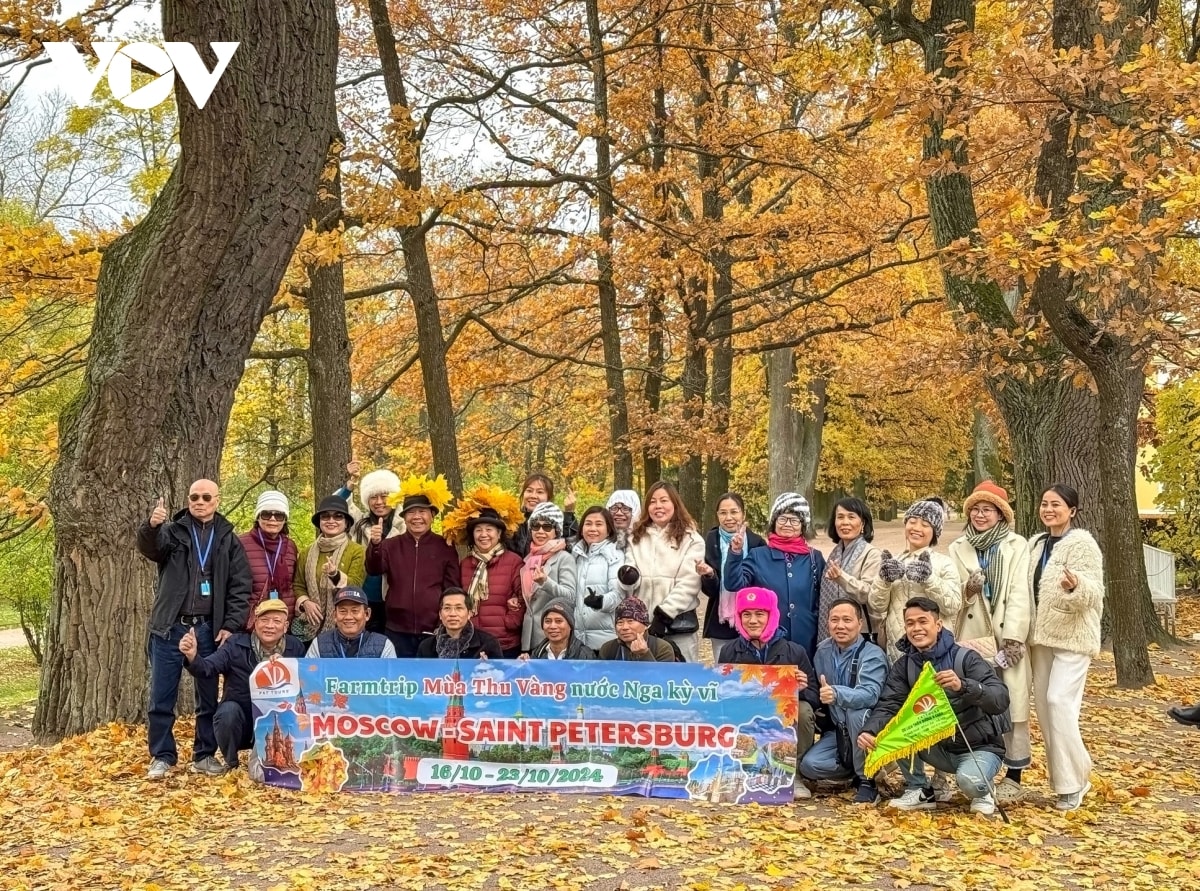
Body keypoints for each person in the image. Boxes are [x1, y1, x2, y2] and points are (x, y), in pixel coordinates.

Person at [136, 479, 252, 780]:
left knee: (207, 696)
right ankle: (162, 756)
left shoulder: (227, 538)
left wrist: (230, 625)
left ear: (217, 500)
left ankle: (203, 755)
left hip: (208, 631)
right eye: (193, 497)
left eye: (205, 497)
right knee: (162, 696)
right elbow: (151, 548)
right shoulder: (173, 531)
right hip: (170, 627)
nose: (199, 502)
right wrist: (152, 526)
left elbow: (241, 587)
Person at [858, 597, 1011, 816]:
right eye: (910, 623)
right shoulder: (905, 665)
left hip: (977, 746)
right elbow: (889, 705)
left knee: (969, 783)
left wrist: (963, 686)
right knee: (891, 731)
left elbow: (1000, 699)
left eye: (923, 621)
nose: (916, 628)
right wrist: (870, 731)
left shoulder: (965, 658)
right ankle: (920, 789)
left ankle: (983, 790)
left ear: (938, 625)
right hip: (936, 746)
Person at [948, 481, 1033, 802]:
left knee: (1011, 702)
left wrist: (1014, 638)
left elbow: (1021, 593)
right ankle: (977, 770)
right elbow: (955, 594)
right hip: (974, 638)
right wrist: (968, 590)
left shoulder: (1016, 545)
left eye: (987, 510)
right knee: (976, 701)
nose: (980, 515)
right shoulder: (958, 547)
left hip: (1007, 635)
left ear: (1000, 515)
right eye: (975, 509)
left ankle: (1014, 773)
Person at [1029, 483, 1103, 811]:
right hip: (1040, 637)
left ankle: (1076, 780)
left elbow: (1093, 592)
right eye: (1045, 503)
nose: (1048, 509)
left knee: (1059, 702)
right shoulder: (1036, 544)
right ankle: (1069, 777)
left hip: (1073, 637)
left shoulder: (1082, 544)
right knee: (1045, 711)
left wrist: (1076, 586)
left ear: (1071, 510)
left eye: (1056, 504)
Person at [717, 586, 821, 798]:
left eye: (759, 614)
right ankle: (737, 769)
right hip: (744, 716)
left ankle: (795, 774)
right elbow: (721, 694)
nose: (752, 620)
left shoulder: (794, 651)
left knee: (803, 710)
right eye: (746, 614)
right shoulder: (729, 651)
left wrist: (801, 689)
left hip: (782, 717)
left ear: (772, 616)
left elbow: (815, 698)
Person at [180, 598, 305, 773]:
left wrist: (287, 667)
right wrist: (193, 656)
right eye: (264, 620)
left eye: (276, 621)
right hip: (242, 720)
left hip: (279, 723)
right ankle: (232, 764)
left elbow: (307, 685)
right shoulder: (235, 644)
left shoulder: (295, 648)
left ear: (285, 626)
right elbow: (208, 668)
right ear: (255, 622)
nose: (270, 626)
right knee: (227, 712)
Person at [799, 599, 888, 803]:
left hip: (869, 729)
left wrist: (837, 694)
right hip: (839, 730)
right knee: (809, 766)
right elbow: (815, 688)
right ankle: (857, 768)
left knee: (857, 712)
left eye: (847, 620)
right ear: (827, 623)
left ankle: (868, 779)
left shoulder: (872, 654)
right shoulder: (822, 650)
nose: (840, 626)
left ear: (860, 623)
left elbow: (871, 694)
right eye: (834, 620)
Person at [723, 492, 827, 658]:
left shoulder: (814, 558)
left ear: (803, 526)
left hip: (808, 638)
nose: (788, 524)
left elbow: (823, 598)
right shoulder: (758, 555)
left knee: (806, 682)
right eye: (782, 519)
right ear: (774, 522)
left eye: (794, 520)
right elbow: (734, 583)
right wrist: (735, 552)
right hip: (768, 641)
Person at [365, 475, 460, 657]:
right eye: (411, 512)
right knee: (401, 680)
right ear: (404, 517)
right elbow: (374, 568)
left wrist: (446, 621)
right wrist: (375, 545)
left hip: (434, 629)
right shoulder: (391, 545)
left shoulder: (445, 547)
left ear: (432, 515)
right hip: (396, 629)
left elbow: (452, 588)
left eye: (422, 511)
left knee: (430, 679)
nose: (417, 517)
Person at [617, 481, 706, 662]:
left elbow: (689, 583)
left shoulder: (691, 539)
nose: (658, 506)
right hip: (641, 626)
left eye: (664, 500)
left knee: (681, 681)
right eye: (653, 501)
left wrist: (664, 614)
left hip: (678, 625)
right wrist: (628, 576)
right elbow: (630, 570)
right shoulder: (636, 536)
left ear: (675, 504)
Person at [869, 499, 962, 661]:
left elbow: (953, 605)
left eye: (925, 525)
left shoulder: (944, 563)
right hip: (897, 650)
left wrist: (929, 579)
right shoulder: (894, 562)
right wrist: (884, 580)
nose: (917, 528)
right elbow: (877, 605)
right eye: (912, 522)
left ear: (935, 532)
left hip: (935, 650)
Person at [444, 486, 526, 658]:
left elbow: (522, 598)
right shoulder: (466, 564)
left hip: (504, 642)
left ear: (499, 533)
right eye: (478, 530)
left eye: (489, 529)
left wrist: (509, 622)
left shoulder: (514, 561)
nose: (484, 535)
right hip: (472, 640)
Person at [336, 461, 404, 633]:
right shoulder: (360, 523)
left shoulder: (404, 524)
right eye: (373, 497)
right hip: (364, 598)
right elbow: (337, 505)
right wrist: (351, 483)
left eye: (384, 496)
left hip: (394, 598)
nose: (379, 502)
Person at [292, 495, 366, 645]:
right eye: (325, 517)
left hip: (345, 624)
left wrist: (335, 574)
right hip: (310, 625)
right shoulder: (306, 552)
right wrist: (305, 602)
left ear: (346, 523)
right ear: (320, 522)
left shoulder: (357, 551)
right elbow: (298, 585)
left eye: (338, 517)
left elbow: (356, 586)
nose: (331, 521)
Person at [699, 493, 766, 653]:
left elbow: (761, 583)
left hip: (751, 617)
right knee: (723, 670)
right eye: (723, 513)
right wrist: (709, 575)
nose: (728, 517)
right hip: (721, 620)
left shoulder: (757, 543)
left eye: (734, 512)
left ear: (743, 513)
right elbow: (710, 591)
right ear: (717, 515)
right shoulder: (711, 540)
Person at [821, 497, 883, 643]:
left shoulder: (872, 554)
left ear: (863, 523)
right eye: (840, 517)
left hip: (863, 634)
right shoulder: (835, 554)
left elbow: (869, 594)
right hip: (836, 632)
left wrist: (841, 577)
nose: (845, 522)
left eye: (851, 517)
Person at [521, 501, 579, 653]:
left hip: (553, 639)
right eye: (535, 526)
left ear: (556, 531)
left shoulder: (564, 558)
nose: (540, 531)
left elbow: (571, 596)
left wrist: (545, 582)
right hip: (528, 638)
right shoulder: (528, 559)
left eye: (547, 527)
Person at [240, 490, 299, 628]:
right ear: (258, 517)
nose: (272, 519)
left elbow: (295, 584)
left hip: (283, 622)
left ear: (285, 519)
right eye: (266, 514)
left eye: (278, 515)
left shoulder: (290, 546)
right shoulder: (240, 544)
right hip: (252, 622)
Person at [571, 506, 624, 651]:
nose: (592, 528)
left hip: (605, 641)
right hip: (576, 640)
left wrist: (600, 602)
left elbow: (619, 594)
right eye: (588, 524)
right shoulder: (575, 555)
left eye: (599, 524)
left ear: (608, 530)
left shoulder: (614, 555)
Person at [306, 586, 397, 657]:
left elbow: (392, 679)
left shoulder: (383, 645)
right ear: (334, 615)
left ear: (367, 614)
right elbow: (308, 678)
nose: (348, 617)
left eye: (355, 611)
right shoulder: (319, 644)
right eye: (343, 611)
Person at [417, 587, 503, 659]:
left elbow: (501, 677)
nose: (452, 614)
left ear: (469, 613)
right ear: (440, 614)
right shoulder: (426, 647)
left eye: (459, 608)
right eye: (447, 608)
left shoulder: (488, 644)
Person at [510, 472, 578, 556]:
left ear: (548, 498)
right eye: (529, 491)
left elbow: (571, 546)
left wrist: (569, 513)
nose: (533, 496)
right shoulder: (514, 522)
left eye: (540, 492)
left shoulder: (555, 521)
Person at [598, 596, 676, 662]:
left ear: (646, 625)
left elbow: (662, 678)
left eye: (630, 621)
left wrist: (644, 654)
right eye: (620, 622)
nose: (625, 627)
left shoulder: (662, 648)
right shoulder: (608, 649)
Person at [528, 600, 596, 659]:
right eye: (548, 621)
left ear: (570, 625)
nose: (552, 626)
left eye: (558, 621)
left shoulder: (585, 656)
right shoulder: (537, 654)